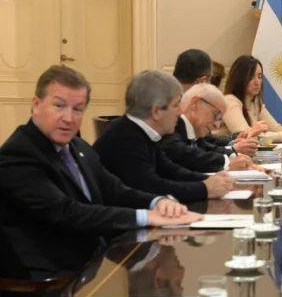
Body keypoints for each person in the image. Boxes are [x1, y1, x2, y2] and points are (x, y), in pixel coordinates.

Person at [0, 66, 201, 280]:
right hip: (48, 281)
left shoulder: (77, 146)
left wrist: (158, 202)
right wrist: (146, 216)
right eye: (59, 106)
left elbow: (115, 190)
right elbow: (69, 212)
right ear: (36, 105)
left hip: (93, 262)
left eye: (78, 109)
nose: (68, 118)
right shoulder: (18, 155)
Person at [94, 70, 234, 202]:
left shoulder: (141, 132)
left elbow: (170, 170)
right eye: (176, 105)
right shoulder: (125, 137)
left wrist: (210, 180)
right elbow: (151, 187)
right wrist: (204, 188)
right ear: (156, 112)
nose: (180, 112)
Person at [172, 49, 257, 155]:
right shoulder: (172, 108)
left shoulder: (172, 100)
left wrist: (233, 143)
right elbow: (189, 153)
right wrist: (230, 154)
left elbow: (205, 141)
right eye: (210, 81)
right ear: (203, 81)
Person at [159, 84, 259, 173]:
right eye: (216, 115)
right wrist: (227, 163)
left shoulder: (196, 134)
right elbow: (184, 154)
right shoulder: (171, 127)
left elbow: (208, 149)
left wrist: (235, 157)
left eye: (220, 119)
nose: (217, 125)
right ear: (195, 103)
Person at [215, 55, 282, 143]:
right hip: (223, 153)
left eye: (259, 77)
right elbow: (246, 135)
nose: (257, 82)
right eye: (251, 77)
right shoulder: (230, 101)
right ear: (240, 78)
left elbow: (277, 129)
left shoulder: (255, 101)